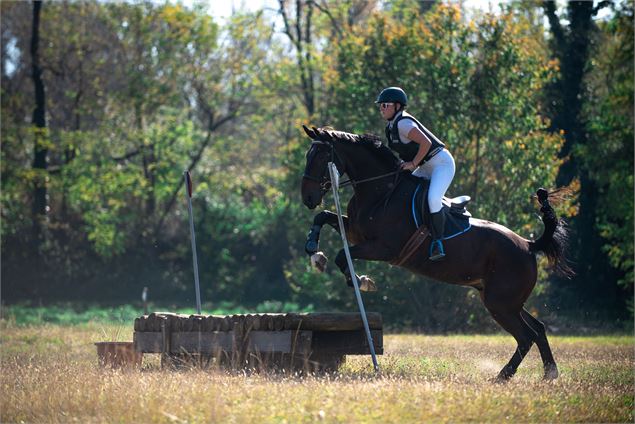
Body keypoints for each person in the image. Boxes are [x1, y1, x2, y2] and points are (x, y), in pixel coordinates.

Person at [376, 86, 455, 261]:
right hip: (426, 165)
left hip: (441, 164)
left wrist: (412, 164)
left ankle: (437, 242)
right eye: (380, 106)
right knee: (402, 191)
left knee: (433, 199)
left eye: (385, 105)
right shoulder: (391, 127)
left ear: (397, 106)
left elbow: (425, 143)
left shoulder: (403, 123)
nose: (381, 109)